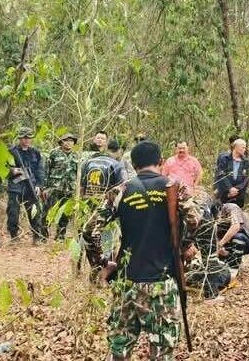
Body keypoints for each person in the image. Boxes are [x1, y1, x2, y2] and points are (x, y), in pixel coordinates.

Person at [82, 141, 201, 360]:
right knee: (162, 353)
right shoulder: (175, 187)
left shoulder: (121, 190)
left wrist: (102, 263)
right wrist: (184, 247)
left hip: (126, 282)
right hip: (162, 283)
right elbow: (194, 220)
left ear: (134, 165)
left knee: (119, 350)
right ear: (161, 162)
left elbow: (89, 230)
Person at [7, 127, 46, 242]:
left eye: (29, 137)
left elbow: (40, 170)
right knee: (13, 213)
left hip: (31, 187)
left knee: (35, 212)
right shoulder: (11, 151)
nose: (26, 140)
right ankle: (14, 236)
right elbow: (3, 168)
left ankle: (36, 236)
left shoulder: (35, 152)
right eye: (24, 137)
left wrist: (39, 185)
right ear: (19, 138)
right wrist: (14, 171)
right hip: (15, 187)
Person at [43, 133, 80, 240]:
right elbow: (46, 170)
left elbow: (79, 173)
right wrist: (45, 188)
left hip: (69, 189)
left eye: (71, 141)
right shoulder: (53, 153)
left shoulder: (76, 155)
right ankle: (43, 235)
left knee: (65, 214)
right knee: (48, 212)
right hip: (54, 188)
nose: (69, 143)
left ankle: (60, 236)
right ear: (61, 142)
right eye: (66, 140)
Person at [214, 138, 249, 208]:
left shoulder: (246, 162)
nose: (244, 150)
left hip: (239, 194)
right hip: (225, 193)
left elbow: (246, 178)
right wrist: (230, 188)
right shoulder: (224, 159)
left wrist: (237, 188)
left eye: (245, 148)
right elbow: (221, 175)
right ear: (236, 147)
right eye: (243, 147)